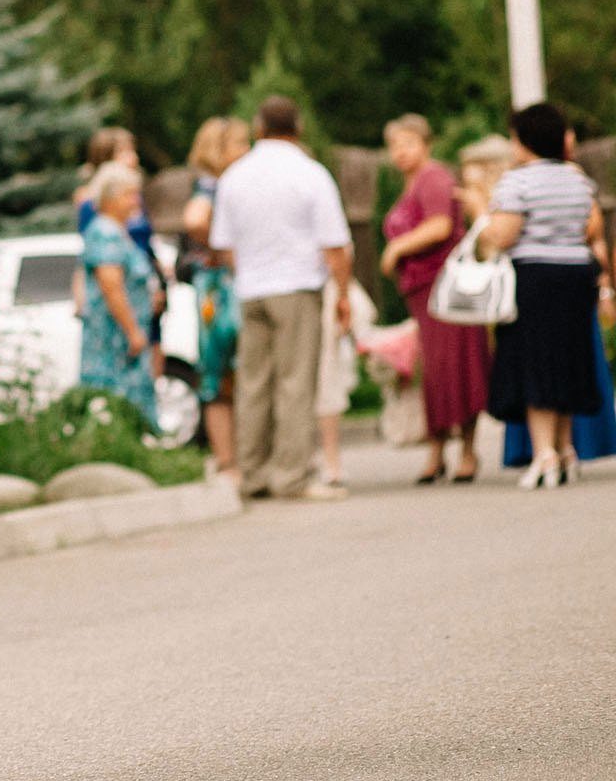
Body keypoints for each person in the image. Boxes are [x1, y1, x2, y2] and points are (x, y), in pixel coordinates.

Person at [209, 96, 354, 502]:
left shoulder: (235, 176)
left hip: (251, 289)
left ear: (258, 127)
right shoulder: (310, 174)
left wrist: (249, 274)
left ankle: (252, 473)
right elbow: (335, 244)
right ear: (299, 127)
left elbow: (225, 243)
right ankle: (291, 476)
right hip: (296, 286)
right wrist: (342, 294)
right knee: (294, 382)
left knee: (253, 383)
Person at [480, 103, 610, 488]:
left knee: (536, 361)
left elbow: (503, 236)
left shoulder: (516, 183)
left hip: (535, 277)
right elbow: (589, 230)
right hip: (576, 274)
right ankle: (566, 448)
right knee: (568, 357)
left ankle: (544, 454)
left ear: (525, 139)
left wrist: (481, 218)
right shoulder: (578, 181)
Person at [378, 114, 488, 483]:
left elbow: (440, 225)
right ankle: (437, 449)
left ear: (426, 144)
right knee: (434, 372)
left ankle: (468, 451)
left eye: (408, 143)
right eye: (394, 145)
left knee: (458, 366)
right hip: (422, 292)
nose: (400, 152)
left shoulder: (434, 177)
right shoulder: (411, 184)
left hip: (446, 289)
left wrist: (396, 248)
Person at [178, 116, 251, 478]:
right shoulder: (212, 186)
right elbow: (194, 220)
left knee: (228, 376)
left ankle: (233, 461)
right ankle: (229, 462)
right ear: (218, 150)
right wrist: (226, 252)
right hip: (221, 291)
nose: (246, 151)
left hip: (218, 287)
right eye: (239, 144)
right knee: (224, 373)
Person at [79, 161, 161, 425]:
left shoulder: (118, 231)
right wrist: (133, 331)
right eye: (130, 194)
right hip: (115, 342)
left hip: (125, 339)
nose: (136, 201)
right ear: (111, 198)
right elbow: (111, 286)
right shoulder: (105, 232)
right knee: (116, 406)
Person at [73, 126, 163, 340]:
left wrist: (157, 280)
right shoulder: (92, 203)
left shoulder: (136, 197)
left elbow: (146, 242)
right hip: (121, 287)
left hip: (145, 280)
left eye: (132, 150)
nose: (133, 157)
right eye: (124, 151)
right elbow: (92, 253)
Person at [313, 279, 377, 487]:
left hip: (319, 289)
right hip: (287, 290)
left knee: (326, 375)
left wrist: (342, 295)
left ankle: (331, 460)